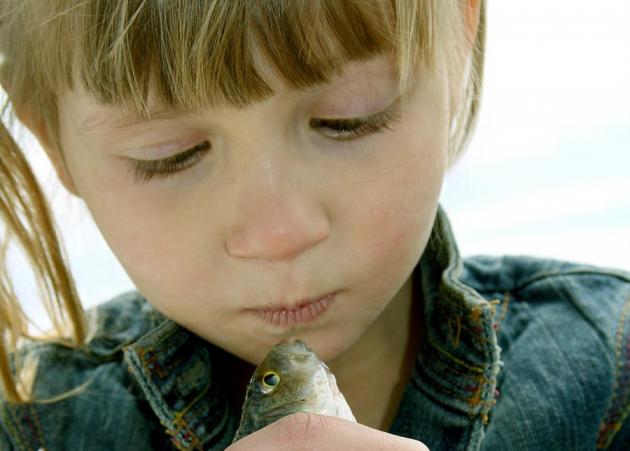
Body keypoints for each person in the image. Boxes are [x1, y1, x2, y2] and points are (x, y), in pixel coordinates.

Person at [0, 1, 627, 449]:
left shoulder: (613, 371)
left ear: (459, 42)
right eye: (170, 155)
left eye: (347, 119)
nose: (279, 234)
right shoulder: (30, 427)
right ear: (54, 142)